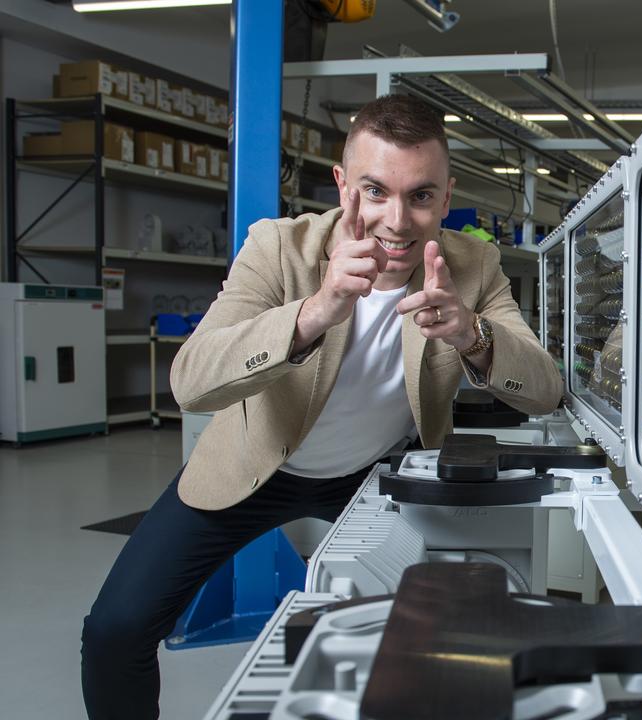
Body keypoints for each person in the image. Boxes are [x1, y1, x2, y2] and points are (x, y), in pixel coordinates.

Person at [80, 93, 563, 720]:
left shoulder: (472, 265)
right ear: (343, 186)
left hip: (371, 478)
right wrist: (315, 313)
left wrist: (473, 333)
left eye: (420, 196)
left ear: (447, 198)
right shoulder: (279, 249)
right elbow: (191, 381)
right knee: (114, 632)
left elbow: (545, 387)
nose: (396, 220)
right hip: (256, 467)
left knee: (428, 634)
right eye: (375, 191)